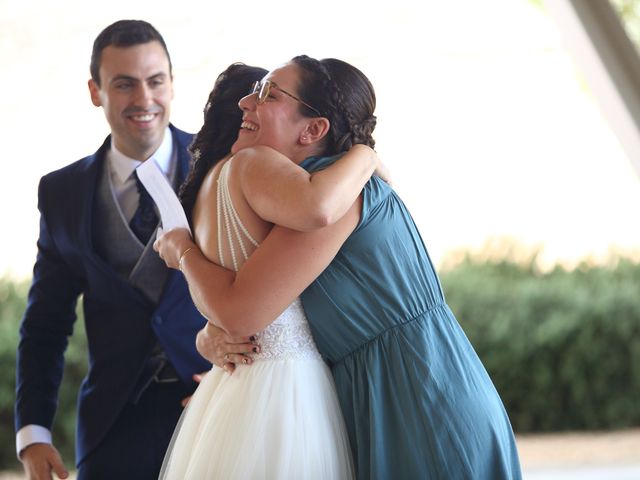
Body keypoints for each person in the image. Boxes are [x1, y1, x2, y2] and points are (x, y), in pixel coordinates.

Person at [156, 55, 523, 479]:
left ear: (313, 129)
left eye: (267, 94)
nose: (246, 103)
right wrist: (209, 337)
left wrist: (365, 155)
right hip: (387, 387)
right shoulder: (310, 189)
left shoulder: (332, 191)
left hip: (418, 392)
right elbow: (272, 301)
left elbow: (245, 308)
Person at [156, 61, 386, 479]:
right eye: (259, 95)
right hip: (286, 390)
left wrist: (207, 335)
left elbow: (229, 291)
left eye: (268, 96)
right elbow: (317, 208)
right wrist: (365, 155)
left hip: (232, 388)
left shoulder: (211, 183)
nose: (253, 104)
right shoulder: (254, 168)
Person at [14, 20, 213, 480]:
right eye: (124, 84)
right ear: (95, 91)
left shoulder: (220, 168)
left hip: (212, 405)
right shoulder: (63, 193)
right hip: (113, 424)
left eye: (155, 81)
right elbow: (46, 322)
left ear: (172, 83)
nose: (144, 100)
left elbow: (274, 285)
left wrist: (240, 379)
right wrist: (34, 433)